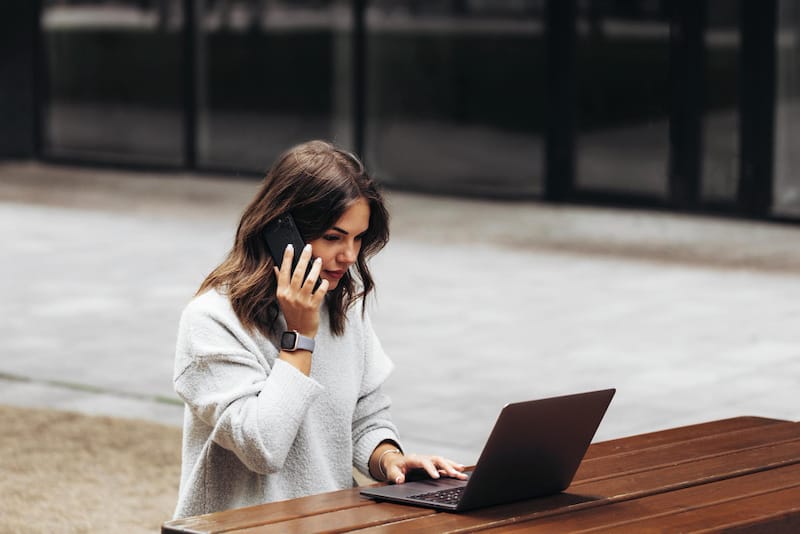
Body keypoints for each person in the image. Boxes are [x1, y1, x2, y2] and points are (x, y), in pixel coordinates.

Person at [172, 140, 466, 518]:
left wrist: (389, 458)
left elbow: (364, 415)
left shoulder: (341, 307)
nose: (350, 256)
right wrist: (298, 339)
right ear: (280, 230)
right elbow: (262, 447)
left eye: (358, 238)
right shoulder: (211, 320)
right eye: (333, 237)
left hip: (331, 524)